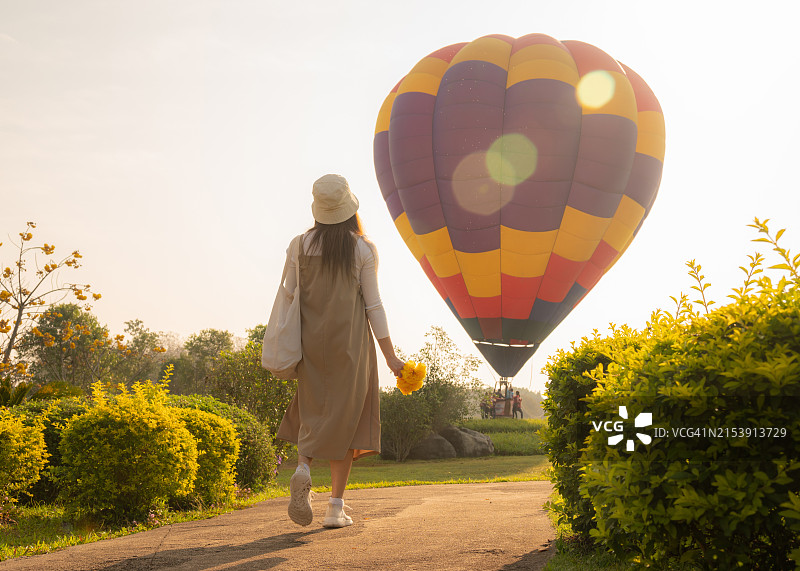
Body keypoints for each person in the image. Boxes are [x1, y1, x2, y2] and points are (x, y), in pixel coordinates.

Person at [275, 174, 404, 529]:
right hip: (351, 347)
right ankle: (335, 508)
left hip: (310, 345)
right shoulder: (363, 248)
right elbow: (373, 306)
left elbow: (290, 295)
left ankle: (302, 468)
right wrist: (391, 356)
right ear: (348, 208)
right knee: (348, 421)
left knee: (311, 409)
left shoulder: (299, 245)